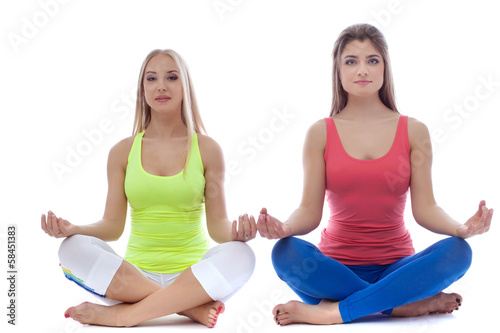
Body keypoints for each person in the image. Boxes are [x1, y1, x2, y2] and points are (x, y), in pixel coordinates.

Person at [256, 23, 493, 326]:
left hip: (398, 269)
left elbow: (426, 209)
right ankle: (402, 306)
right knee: (284, 253)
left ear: (385, 68)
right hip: (334, 271)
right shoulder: (320, 133)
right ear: (338, 72)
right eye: (351, 61)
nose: (362, 70)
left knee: (459, 252)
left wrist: (461, 229)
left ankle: (333, 311)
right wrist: (284, 228)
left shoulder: (414, 131)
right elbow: (308, 211)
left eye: (372, 60)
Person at [41, 49, 256, 328]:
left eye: (172, 77)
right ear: (142, 89)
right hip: (132, 279)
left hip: (195, 278)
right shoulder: (122, 152)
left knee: (243, 255)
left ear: (185, 86)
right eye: (151, 79)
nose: (161, 86)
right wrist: (74, 229)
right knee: (71, 248)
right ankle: (188, 309)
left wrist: (239, 233)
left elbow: (218, 228)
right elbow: (112, 225)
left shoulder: (207, 149)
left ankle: (125, 315)